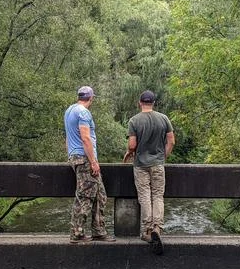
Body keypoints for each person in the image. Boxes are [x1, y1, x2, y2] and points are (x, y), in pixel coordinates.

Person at [123, 90, 175, 255]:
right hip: (158, 164)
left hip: (140, 165)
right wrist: (163, 156)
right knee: (158, 195)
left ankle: (146, 230)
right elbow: (171, 141)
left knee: (145, 196)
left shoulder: (134, 121)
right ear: (153, 103)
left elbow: (132, 145)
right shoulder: (163, 118)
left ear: (140, 102)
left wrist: (129, 153)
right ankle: (157, 228)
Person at [64, 86, 116, 244]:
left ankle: (99, 231)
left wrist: (70, 156)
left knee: (100, 195)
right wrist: (93, 161)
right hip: (85, 158)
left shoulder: (69, 110)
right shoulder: (84, 113)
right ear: (91, 98)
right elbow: (85, 138)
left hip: (76, 156)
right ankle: (77, 234)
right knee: (85, 197)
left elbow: (67, 137)